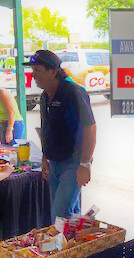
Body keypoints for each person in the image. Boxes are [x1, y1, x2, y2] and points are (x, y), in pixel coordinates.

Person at [24, 50, 96, 218]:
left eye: (38, 70)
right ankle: (75, 244)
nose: (33, 75)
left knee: (59, 215)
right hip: (54, 162)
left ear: (53, 71)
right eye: (32, 70)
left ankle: (61, 242)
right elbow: (46, 128)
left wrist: (85, 164)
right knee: (70, 217)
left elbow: (90, 128)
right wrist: (44, 158)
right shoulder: (44, 97)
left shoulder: (73, 92)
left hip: (73, 162)